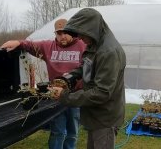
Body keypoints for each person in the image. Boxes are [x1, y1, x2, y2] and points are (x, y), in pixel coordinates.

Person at [0, 19, 86, 149]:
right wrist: (18, 42)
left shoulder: (83, 46)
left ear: (72, 32)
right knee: (58, 131)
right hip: (56, 96)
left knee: (73, 131)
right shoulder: (48, 47)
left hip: (76, 96)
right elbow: (30, 45)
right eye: (59, 33)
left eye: (65, 33)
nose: (62, 36)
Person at [49, 8, 126, 149]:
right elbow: (85, 66)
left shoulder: (108, 52)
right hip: (94, 114)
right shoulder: (94, 44)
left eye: (82, 34)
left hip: (104, 118)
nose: (80, 38)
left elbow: (101, 92)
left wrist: (65, 96)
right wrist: (68, 78)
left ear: (91, 29)